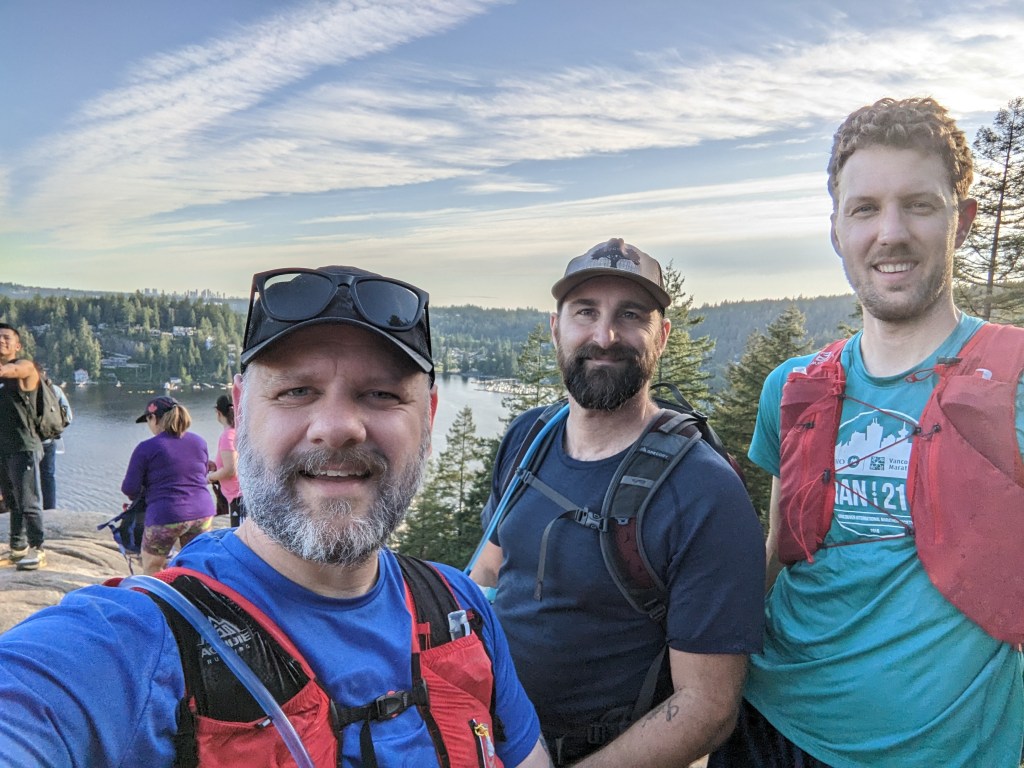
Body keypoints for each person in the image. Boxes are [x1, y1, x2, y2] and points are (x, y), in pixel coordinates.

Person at [0, 265, 549, 768]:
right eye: (296, 391)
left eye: (382, 394)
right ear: (241, 410)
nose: (337, 427)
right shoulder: (132, 644)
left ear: (427, 419)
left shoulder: (462, 610)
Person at [709, 97, 1024, 768]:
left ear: (963, 221)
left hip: (942, 752)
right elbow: (778, 551)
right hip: (765, 726)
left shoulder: (1016, 379)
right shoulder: (793, 386)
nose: (891, 233)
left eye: (919, 204)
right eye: (864, 209)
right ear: (836, 231)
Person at [470, 239, 766, 767]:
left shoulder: (703, 490)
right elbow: (490, 569)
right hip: (488, 738)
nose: (605, 336)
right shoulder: (529, 437)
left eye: (630, 315)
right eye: (586, 312)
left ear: (662, 337)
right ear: (556, 328)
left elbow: (707, 706)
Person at [121, 395, 216, 574]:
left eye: (148, 420)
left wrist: (141, 495)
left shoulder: (146, 447)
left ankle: (158, 592)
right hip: (202, 513)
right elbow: (199, 474)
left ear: (154, 418)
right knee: (196, 565)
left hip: (166, 514)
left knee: (153, 567)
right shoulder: (199, 442)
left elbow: (129, 488)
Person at [0, 322, 46, 571]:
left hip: (24, 445)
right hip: (4, 448)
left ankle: (39, 549)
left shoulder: (25, 367)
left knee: (29, 500)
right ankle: (18, 548)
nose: (1, 341)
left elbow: (11, 370)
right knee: (13, 500)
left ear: (17, 345)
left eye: (6, 337)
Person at [207, 393, 244, 526]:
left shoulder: (228, 435)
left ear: (218, 413)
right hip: (245, 495)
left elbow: (230, 470)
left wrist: (210, 477)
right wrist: (217, 467)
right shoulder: (241, 431)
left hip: (239, 497)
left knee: (240, 535)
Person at [38, 371, 72, 510]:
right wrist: (54, 429)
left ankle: (27, 511)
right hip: (48, 440)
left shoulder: (19, 389)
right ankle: (50, 510)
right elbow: (68, 417)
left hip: (26, 442)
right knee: (48, 477)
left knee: (25, 479)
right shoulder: (54, 390)